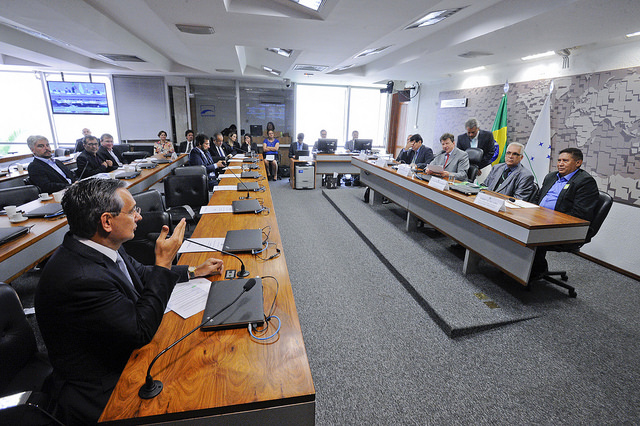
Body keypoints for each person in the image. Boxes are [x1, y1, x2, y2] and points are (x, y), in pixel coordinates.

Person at [34, 178, 224, 424]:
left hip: (120, 349)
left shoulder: (99, 243)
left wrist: (194, 271)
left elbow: (142, 274)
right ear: (106, 221)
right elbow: (140, 330)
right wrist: (164, 263)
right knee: (203, 385)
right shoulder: (81, 278)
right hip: (104, 384)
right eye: (133, 210)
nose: (139, 217)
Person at [531, 147, 599, 278]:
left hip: (564, 227)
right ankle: (522, 269)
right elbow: (537, 198)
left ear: (578, 163)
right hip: (538, 219)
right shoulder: (551, 177)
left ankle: (534, 271)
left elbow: (579, 214)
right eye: (559, 160)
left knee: (531, 236)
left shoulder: (585, 182)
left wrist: (548, 218)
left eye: (565, 161)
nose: (560, 164)